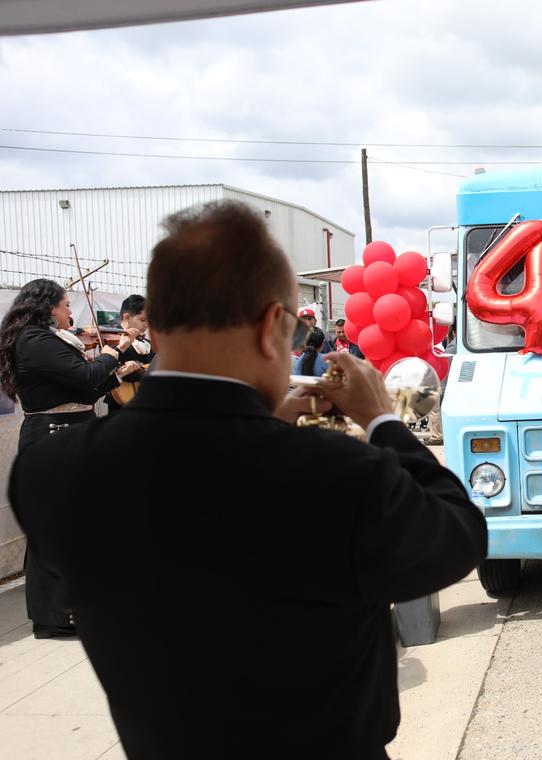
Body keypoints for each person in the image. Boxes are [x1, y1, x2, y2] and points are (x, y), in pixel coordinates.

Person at [9, 200, 487, 759]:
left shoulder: (49, 473)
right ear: (270, 328)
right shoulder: (333, 471)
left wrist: (265, 420)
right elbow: (457, 537)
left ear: (156, 327)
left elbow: (190, 485)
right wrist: (381, 419)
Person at [0, 278, 139, 638]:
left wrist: (115, 370)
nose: (68, 312)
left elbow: (87, 387)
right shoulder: (35, 340)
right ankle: (52, 618)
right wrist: (113, 352)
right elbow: (84, 374)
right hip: (54, 436)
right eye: (64, 306)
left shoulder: (48, 340)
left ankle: (74, 608)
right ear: (48, 307)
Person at [105, 294, 155, 416]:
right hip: (122, 405)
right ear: (127, 317)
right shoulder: (113, 342)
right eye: (142, 320)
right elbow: (117, 372)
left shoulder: (148, 343)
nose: (146, 324)